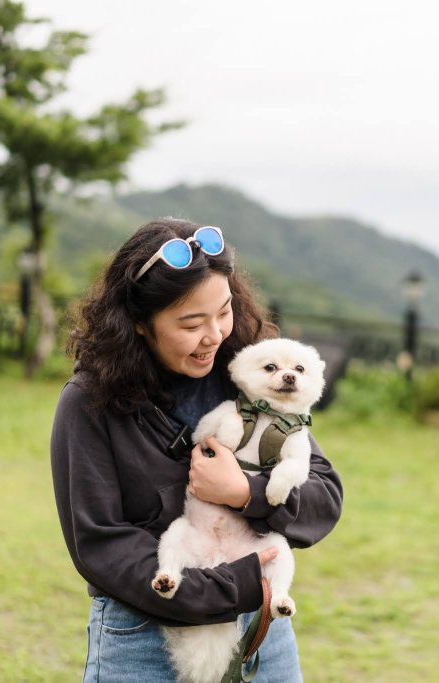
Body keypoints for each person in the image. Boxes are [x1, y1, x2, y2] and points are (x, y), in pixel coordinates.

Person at [50, 218, 343, 682]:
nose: (215, 335)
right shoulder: (89, 402)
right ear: (141, 324)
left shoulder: (248, 374)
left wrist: (246, 492)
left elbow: (324, 498)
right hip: (144, 639)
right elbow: (101, 543)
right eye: (192, 323)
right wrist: (235, 584)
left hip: (261, 636)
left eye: (224, 311)